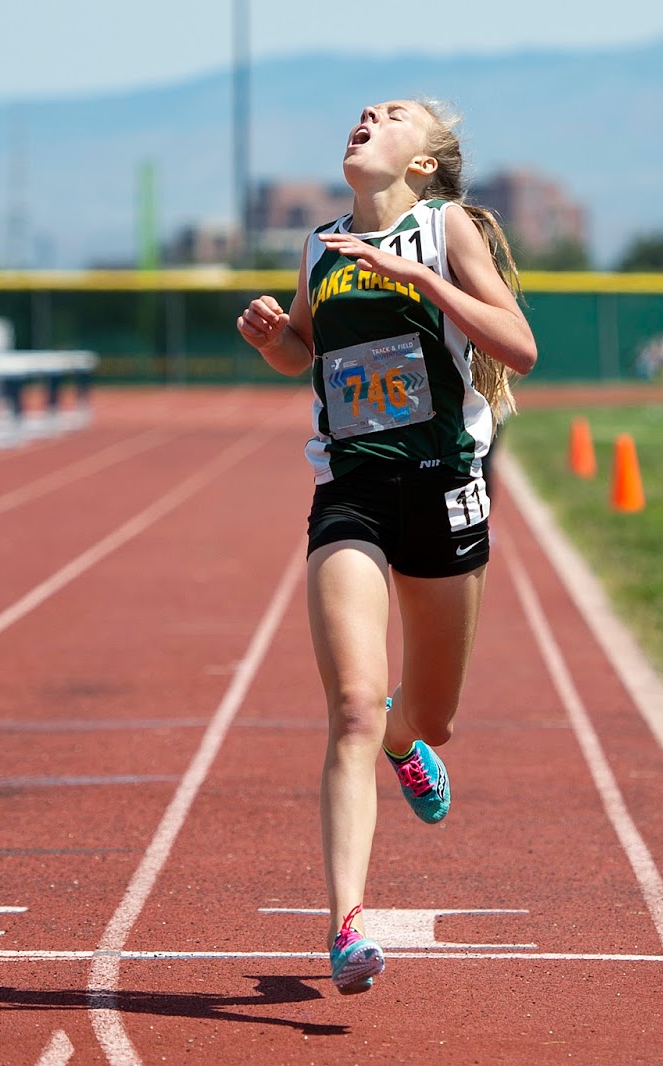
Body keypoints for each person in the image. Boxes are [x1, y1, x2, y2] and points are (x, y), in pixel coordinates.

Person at [236, 98, 536, 995]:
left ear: (427, 161)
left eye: (394, 113)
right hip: (352, 492)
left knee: (425, 716)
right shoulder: (319, 245)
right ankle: (347, 925)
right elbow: (302, 355)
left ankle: (413, 742)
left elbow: (518, 346)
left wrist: (421, 282)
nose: (367, 115)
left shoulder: (446, 228)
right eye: (365, 109)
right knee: (354, 708)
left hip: (445, 489)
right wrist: (272, 339)